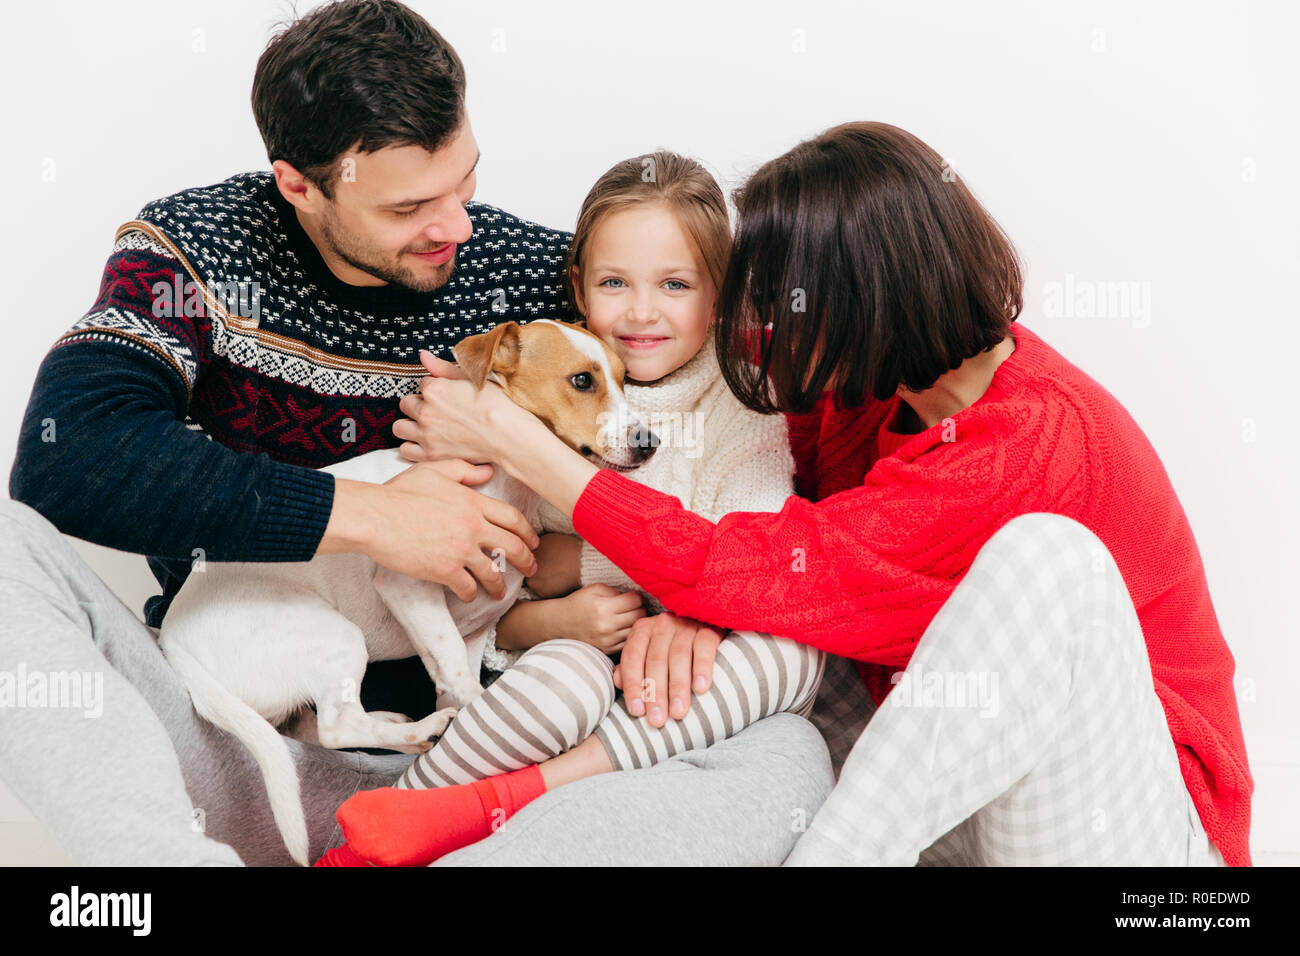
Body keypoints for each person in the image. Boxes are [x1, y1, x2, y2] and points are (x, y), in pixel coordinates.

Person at [0, 0, 832, 867]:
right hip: (241, 736)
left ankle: (428, 841)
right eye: (410, 209)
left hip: (494, 747)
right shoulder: (198, 253)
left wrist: (708, 601)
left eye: (465, 181)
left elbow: (714, 378)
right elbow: (66, 457)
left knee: (787, 758)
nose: (458, 228)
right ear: (300, 185)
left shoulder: (541, 277)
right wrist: (374, 517)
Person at [397, 120, 1253, 867]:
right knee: (776, 720)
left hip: (1135, 841)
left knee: (1048, 561)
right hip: (960, 802)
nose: (757, 325)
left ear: (865, 300)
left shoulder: (1031, 443)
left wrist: (515, 443)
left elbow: (761, 561)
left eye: (780, 299)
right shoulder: (870, 392)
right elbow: (743, 540)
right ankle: (483, 815)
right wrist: (499, 406)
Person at [316, 150, 826, 867]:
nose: (642, 311)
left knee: (794, 653)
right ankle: (395, 823)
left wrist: (666, 600)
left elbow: (754, 559)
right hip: (584, 664)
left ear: (722, 297)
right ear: (580, 289)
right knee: (566, 675)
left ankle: (503, 804)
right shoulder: (554, 392)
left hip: (695, 672)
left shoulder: (746, 402)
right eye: (615, 282)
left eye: (676, 284)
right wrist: (557, 617)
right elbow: (500, 591)